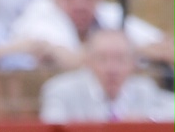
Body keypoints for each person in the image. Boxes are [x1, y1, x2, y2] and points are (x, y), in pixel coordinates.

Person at [12, 0, 175, 68]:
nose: (80, 3)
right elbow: (74, 61)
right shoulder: (39, 12)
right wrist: (132, 51)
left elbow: (166, 44)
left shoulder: (110, 12)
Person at [40, 27, 175, 123]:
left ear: (133, 64)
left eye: (120, 59)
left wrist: (146, 122)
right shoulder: (61, 91)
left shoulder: (145, 90)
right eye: (102, 59)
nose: (112, 68)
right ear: (88, 61)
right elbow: (52, 131)